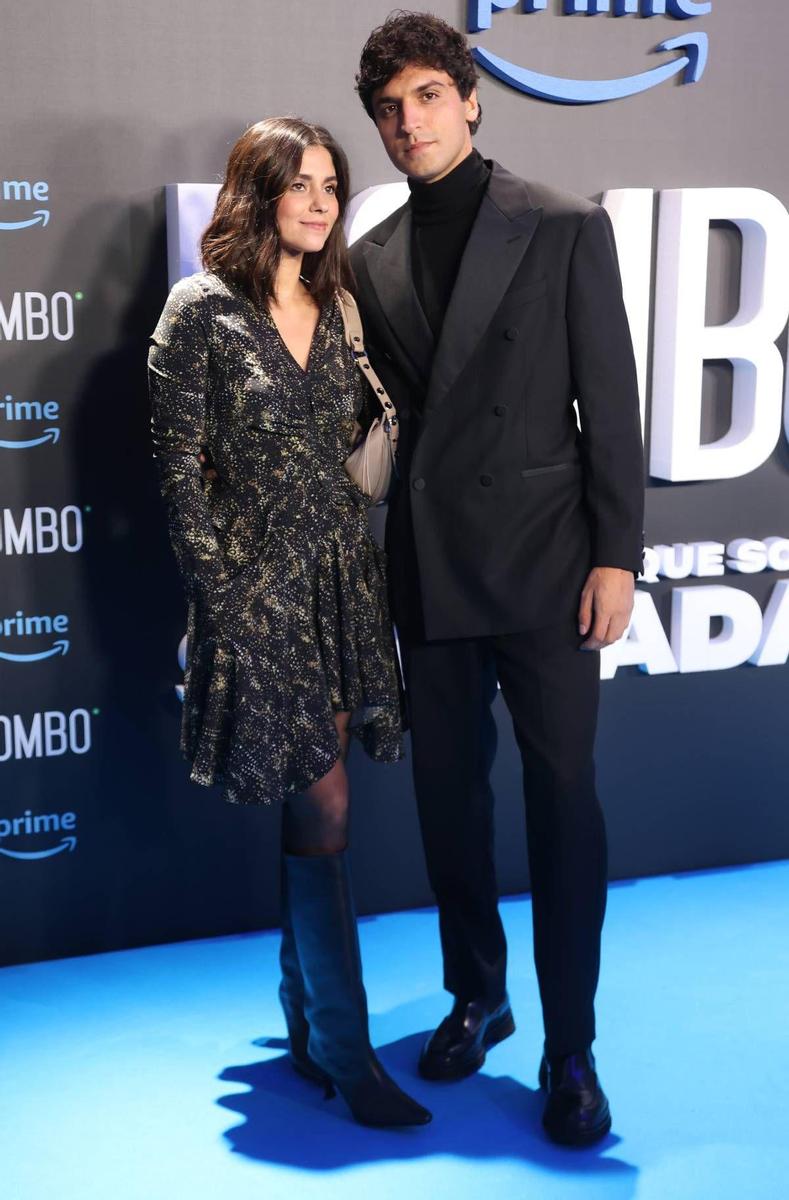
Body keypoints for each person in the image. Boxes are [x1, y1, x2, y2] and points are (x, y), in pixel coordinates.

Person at [349, 13, 645, 1146]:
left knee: (564, 804)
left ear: (470, 98)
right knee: (447, 803)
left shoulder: (562, 225)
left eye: (426, 95)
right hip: (427, 571)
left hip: (550, 565)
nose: (407, 121)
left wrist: (617, 552)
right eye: (388, 107)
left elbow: (607, 405)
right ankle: (479, 993)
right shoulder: (371, 260)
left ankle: (572, 1049)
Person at [148, 117, 430, 1128]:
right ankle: (350, 1059)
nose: (320, 201)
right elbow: (177, 476)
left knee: (319, 805)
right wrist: (223, 598)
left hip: (344, 586)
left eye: (331, 184)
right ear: (255, 192)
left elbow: (363, 448)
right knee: (327, 796)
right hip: (254, 596)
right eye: (299, 183)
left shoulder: (341, 306)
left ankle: (309, 1030)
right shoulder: (199, 313)